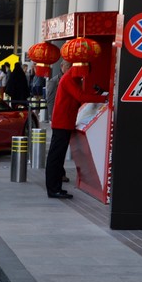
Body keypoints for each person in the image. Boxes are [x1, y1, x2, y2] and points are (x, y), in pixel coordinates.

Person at [45, 65, 107, 199]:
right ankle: (53, 189)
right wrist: (103, 99)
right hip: (62, 122)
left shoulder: (73, 78)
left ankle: (56, 187)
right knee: (56, 157)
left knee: (58, 157)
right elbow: (80, 96)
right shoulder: (69, 79)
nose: (86, 75)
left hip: (65, 122)